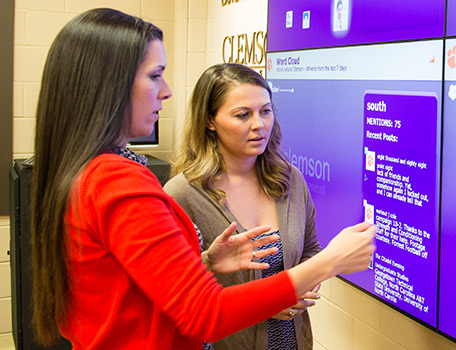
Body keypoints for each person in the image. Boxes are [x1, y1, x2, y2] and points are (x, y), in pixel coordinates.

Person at [29, 8, 376, 349]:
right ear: (108, 84)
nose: (165, 91)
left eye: (265, 111)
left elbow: (135, 292)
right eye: (154, 76)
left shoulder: (87, 171)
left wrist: (204, 263)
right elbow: (205, 314)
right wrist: (330, 262)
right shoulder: (117, 182)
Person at [164, 63, 323, 350]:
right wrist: (261, 303)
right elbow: (174, 293)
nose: (258, 124)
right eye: (242, 115)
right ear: (209, 121)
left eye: (265, 110)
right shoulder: (182, 195)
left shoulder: (289, 180)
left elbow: (311, 249)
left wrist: (306, 284)